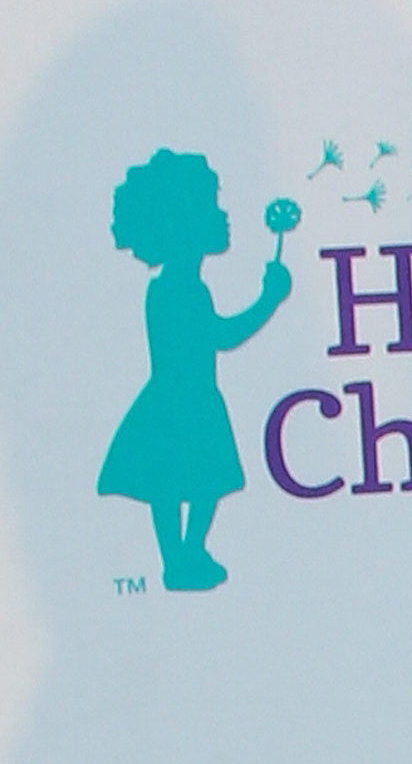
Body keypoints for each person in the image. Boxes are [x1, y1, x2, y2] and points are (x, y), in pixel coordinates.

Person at [97, 150, 290, 591]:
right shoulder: (176, 290)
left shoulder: (179, 286)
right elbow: (220, 336)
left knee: (186, 483)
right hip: (183, 401)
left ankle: (186, 555)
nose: (222, 216)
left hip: (183, 398)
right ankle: (180, 558)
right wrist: (269, 298)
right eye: (212, 206)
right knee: (183, 483)